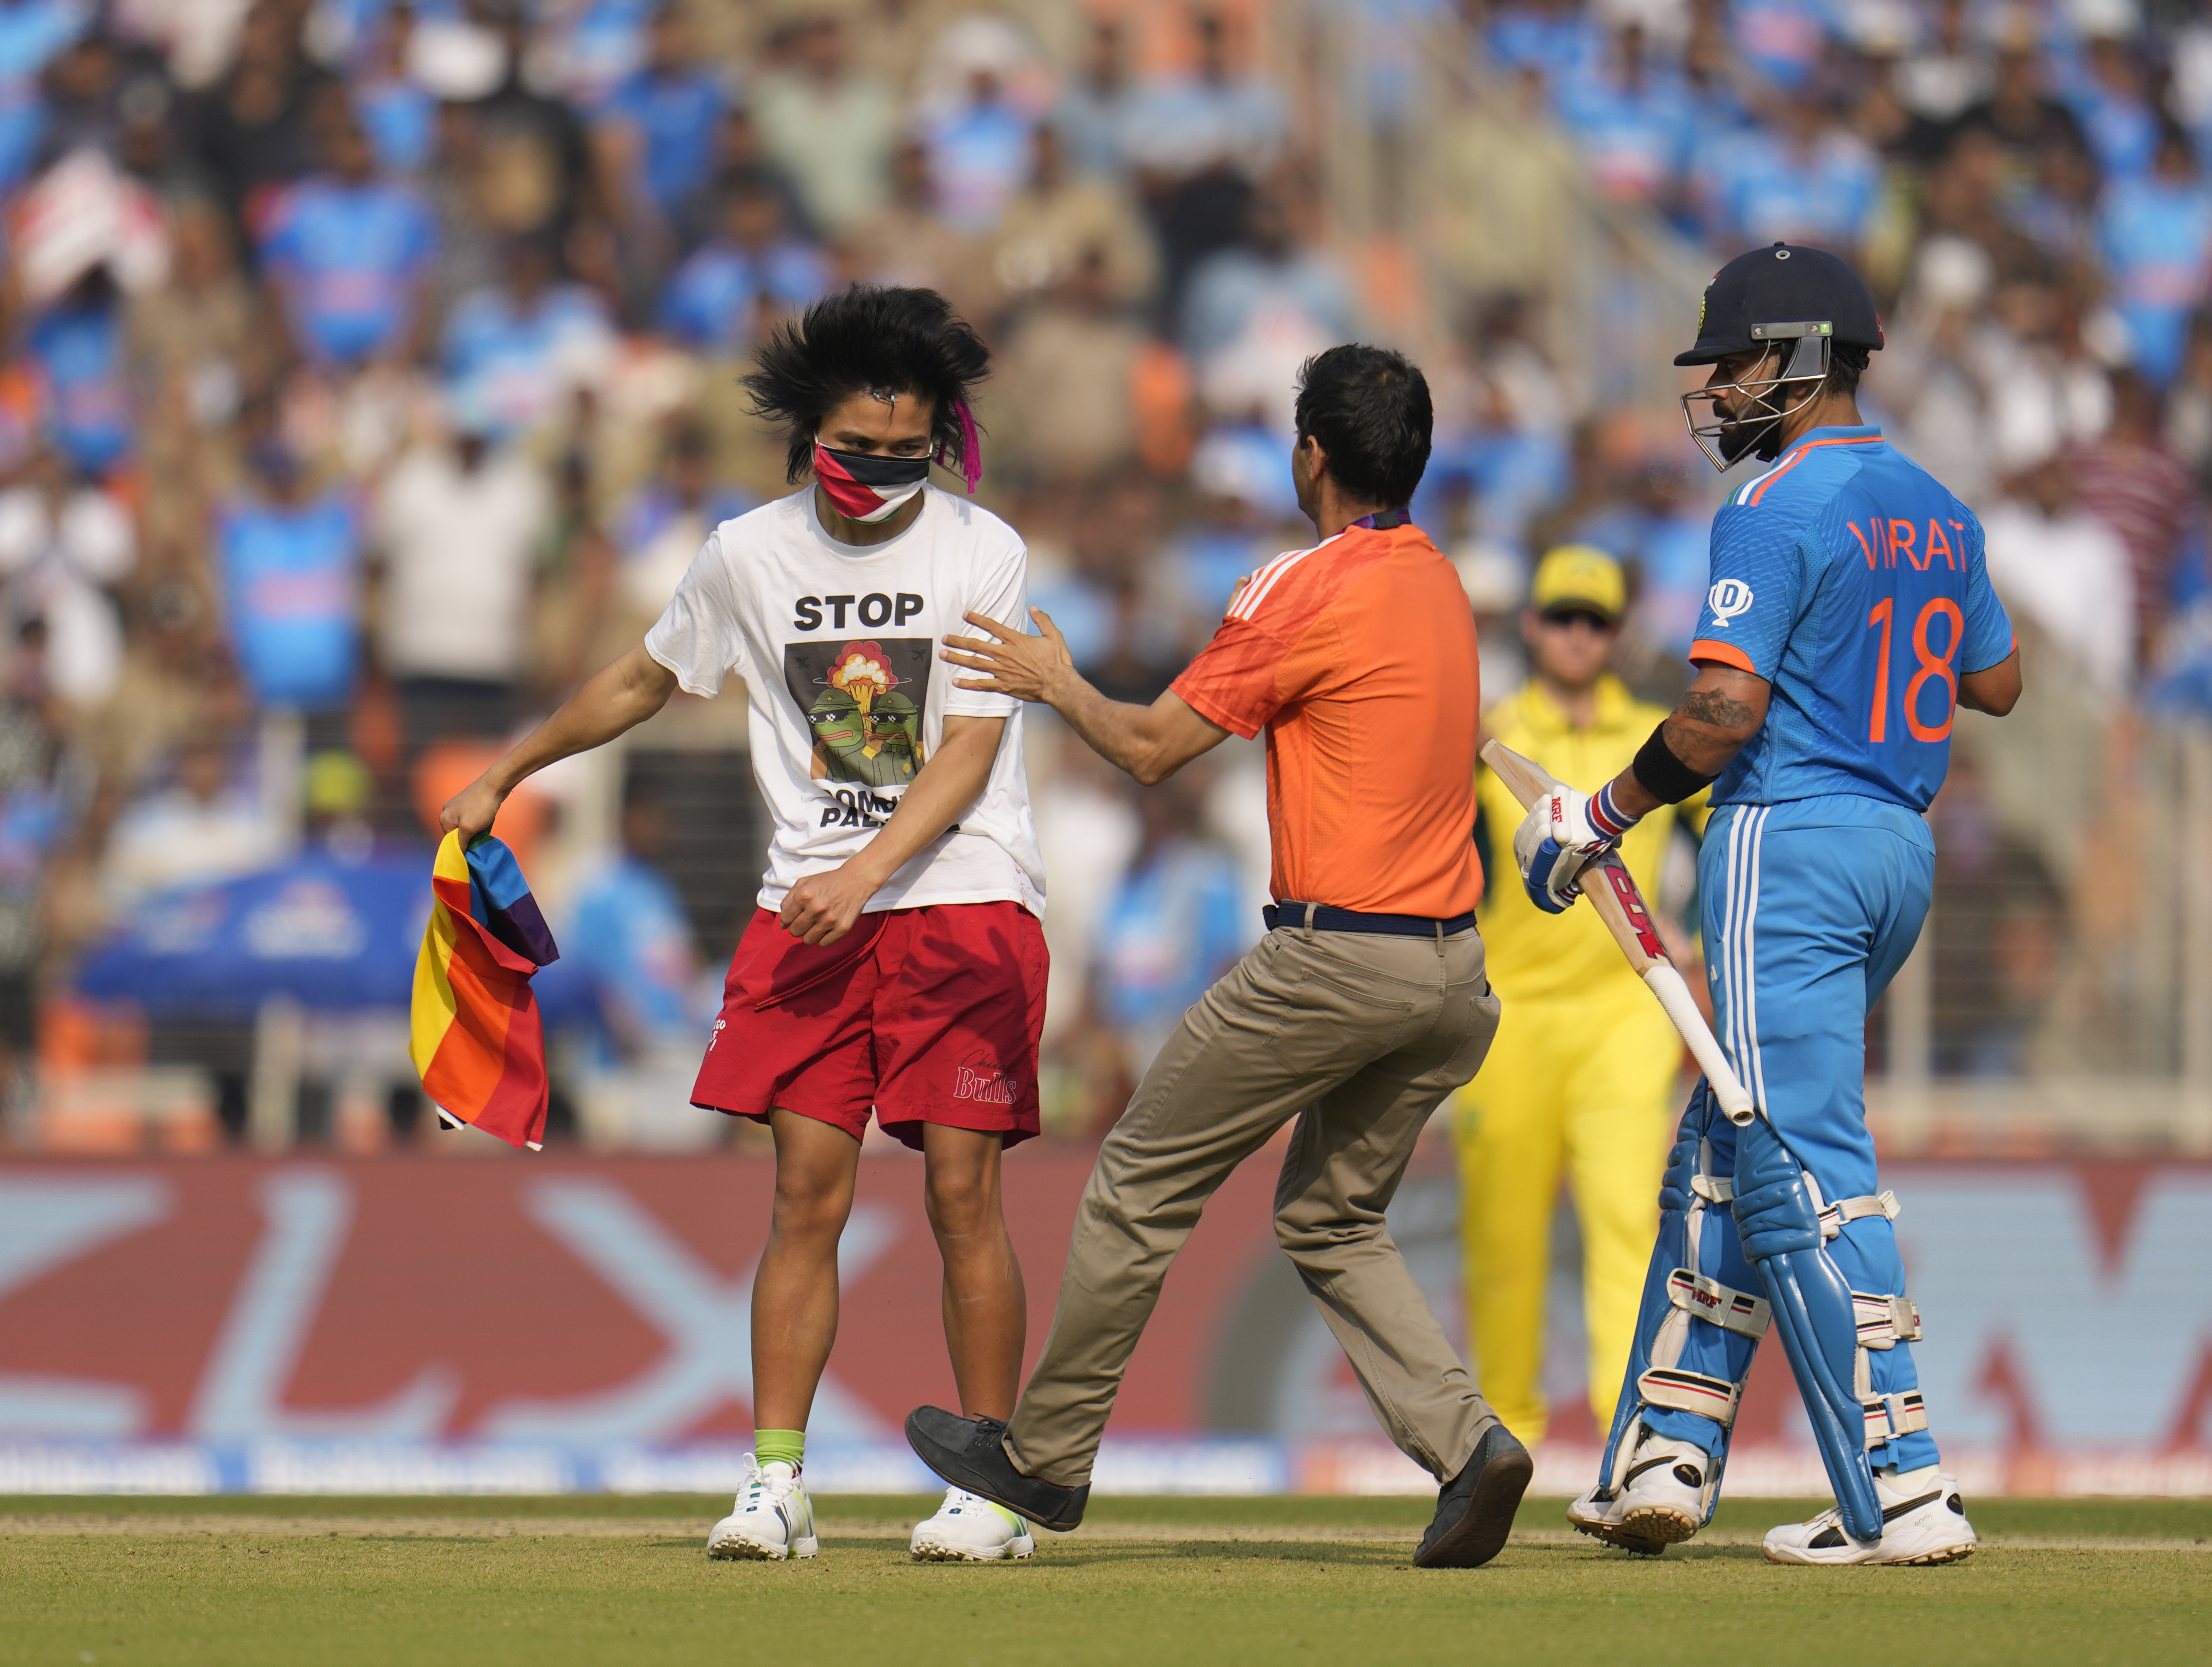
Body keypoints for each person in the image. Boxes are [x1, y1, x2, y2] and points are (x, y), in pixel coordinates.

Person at [438, 286, 1047, 1567]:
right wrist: (509, 770)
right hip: (808, 908)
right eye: (855, 449)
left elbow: (971, 752)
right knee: (802, 1195)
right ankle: (778, 1484)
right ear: (806, 430)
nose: (878, 474)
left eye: (905, 453)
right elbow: (641, 679)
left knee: (959, 1192)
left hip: (959, 896)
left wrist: (870, 866)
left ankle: (987, 1487)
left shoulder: (981, 549)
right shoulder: (746, 553)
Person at [906, 344, 1534, 1572]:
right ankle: (1470, 1449)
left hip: (1334, 958)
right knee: (1331, 1215)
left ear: (1310, 454)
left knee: (1139, 1177)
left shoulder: (1300, 585)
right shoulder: (1442, 581)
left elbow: (1148, 750)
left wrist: (1051, 679)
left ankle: (1042, 1461)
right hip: (1454, 975)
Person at [1523, 243, 2020, 1566]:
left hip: (1781, 845)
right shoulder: (1936, 507)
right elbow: (1997, 680)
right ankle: (1668, 1455)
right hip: (1892, 852)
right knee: (1721, 1147)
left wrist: (1601, 813)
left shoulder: (1771, 506)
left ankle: (1898, 1485)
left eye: (1734, 362)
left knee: (1792, 1155)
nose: (1719, 389)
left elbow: (1723, 708)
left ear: (1799, 359)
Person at [1453, 544, 1709, 1454]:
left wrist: (1698, 937)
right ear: (1530, 625)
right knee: (1503, 1248)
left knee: (1627, 1238)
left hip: (1621, 1021)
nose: (1575, 634)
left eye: (1593, 621)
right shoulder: (1485, 737)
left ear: (1615, 634)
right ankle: (1503, 1449)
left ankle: (1629, 1450)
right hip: (1508, 1020)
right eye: (1561, 616)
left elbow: (1725, 840)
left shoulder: (1655, 737)